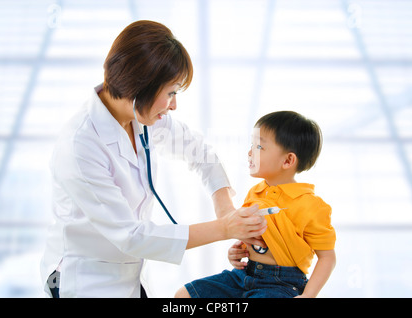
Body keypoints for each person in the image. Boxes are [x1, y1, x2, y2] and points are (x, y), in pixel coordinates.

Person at [40, 20, 267, 298]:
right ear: (140, 86)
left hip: (129, 275)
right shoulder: (80, 146)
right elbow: (132, 236)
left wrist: (224, 208)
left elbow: (199, 151)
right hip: (87, 280)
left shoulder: (142, 116)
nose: (174, 105)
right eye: (171, 92)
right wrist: (224, 228)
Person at [175, 111, 336, 298]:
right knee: (184, 295)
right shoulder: (256, 192)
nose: (250, 152)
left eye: (259, 146)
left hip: (281, 284)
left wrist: (308, 295)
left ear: (288, 160)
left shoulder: (311, 205)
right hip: (242, 276)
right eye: (252, 145)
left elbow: (328, 258)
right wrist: (239, 250)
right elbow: (252, 235)